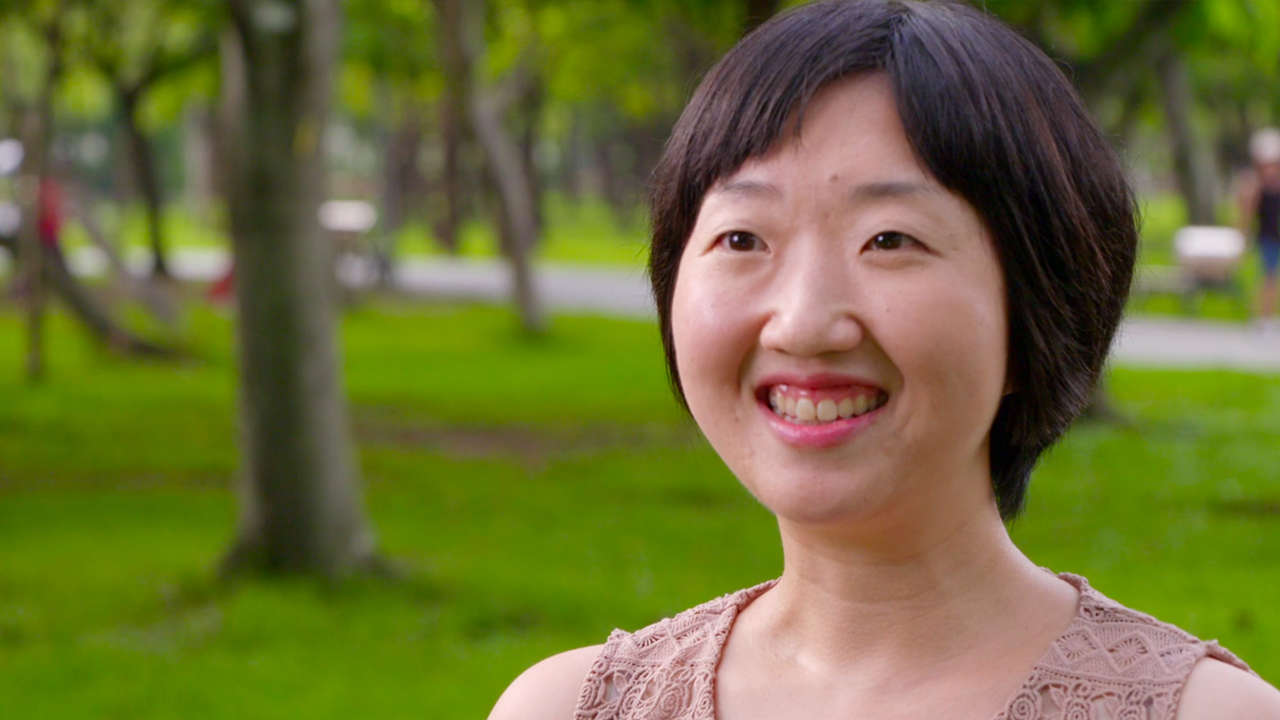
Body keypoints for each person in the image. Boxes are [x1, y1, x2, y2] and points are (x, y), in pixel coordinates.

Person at [489, 2, 1280, 718]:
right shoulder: (571, 709)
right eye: (743, 238)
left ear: (1039, 308)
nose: (803, 323)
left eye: (890, 240)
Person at [1238, 127, 1280, 328]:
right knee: (1268, 277)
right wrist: (1243, 235)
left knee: (1270, 278)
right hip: (1268, 237)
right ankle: (1263, 317)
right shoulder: (1255, 185)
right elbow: (1247, 213)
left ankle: (1267, 316)